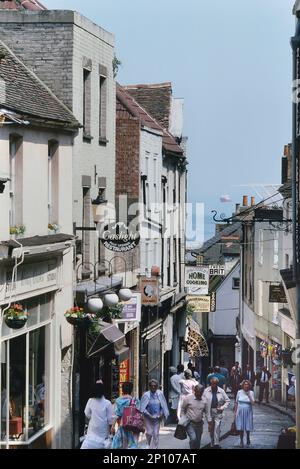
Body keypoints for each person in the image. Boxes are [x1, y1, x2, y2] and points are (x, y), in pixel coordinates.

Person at [81, 382, 113, 449]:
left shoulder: (90, 400)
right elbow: (110, 420)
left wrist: (92, 418)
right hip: (103, 431)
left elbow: (86, 413)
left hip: (92, 429)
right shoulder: (107, 403)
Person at [140, 379, 169, 449]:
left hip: (157, 417)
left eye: (155, 386)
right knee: (149, 432)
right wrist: (149, 415)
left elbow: (163, 406)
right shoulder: (146, 395)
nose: (153, 387)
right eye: (151, 386)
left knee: (156, 433)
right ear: (149, 387)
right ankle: (148, 442)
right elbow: (142, 408)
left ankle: (155, 447)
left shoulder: (160, 394)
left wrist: (161, 413)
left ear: (157, 386)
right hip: (148, 418)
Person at [111, 381, 140, 449]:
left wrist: (112, 426)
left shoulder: (118, 400)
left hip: (122, 426)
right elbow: (139, 413)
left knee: (121, 445)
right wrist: (143, 426)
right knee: (132, 445)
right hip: (133, 426)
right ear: (131, 390)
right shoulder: (135, 400)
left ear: (122, 390)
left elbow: (117, 414)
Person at [203, 377, 230, 449]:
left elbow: (227, 401)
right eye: (212, 384)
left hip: (218, 411)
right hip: (209, 411)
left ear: (217, 384)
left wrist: (222, 407)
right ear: (210, 383)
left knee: (217, 427)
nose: (213, 385)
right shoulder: (206, 391)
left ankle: (216, 443)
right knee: (211, 428)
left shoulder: (221, 391)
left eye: (215, 384)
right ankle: (212, 443)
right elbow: (202, 401)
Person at [181, 384, 208, 449]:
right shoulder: (188, 398)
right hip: (190, 423)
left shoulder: (204, 400)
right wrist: (183, 419)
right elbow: (182, 409)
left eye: (201, 392)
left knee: (198, 442)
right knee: (193, 439)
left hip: (199, 424)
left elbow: (207, 412)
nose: (199, 394)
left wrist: (209, 422)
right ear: (194, 391)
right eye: (198, 392)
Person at [234, 380, 255, 447]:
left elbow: (253, 403)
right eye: (245, 384)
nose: (246, 385)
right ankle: (241, 441)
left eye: (247, 384)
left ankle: (248, 437)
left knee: (247, 426)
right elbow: (236, 402)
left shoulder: (251, 392)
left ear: (249, 386)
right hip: (240, 411)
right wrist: (235, 412)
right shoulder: (239, 392)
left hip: (248, 411)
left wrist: (249, 396)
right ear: (243, 385)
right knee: (241, 426)